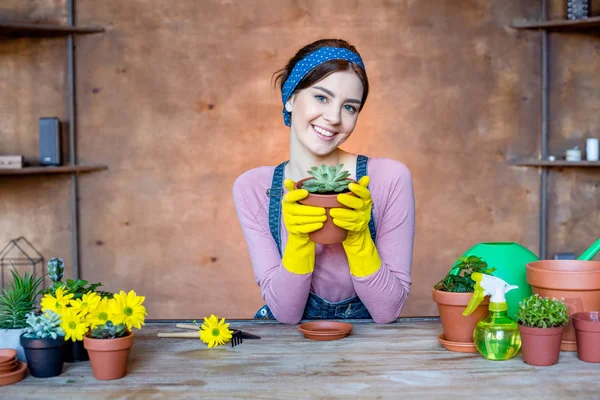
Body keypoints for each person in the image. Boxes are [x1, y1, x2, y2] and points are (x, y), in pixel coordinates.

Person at [233, 38, 415, 324]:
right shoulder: (254, 188)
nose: (333, 118)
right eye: (321, 97)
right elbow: (286, 314)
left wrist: (358, 238)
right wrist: (298, 241)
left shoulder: (389, 178)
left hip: (369, 346)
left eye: (350, 107)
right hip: (286, 345)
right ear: (290, 97)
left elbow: (387, 311)